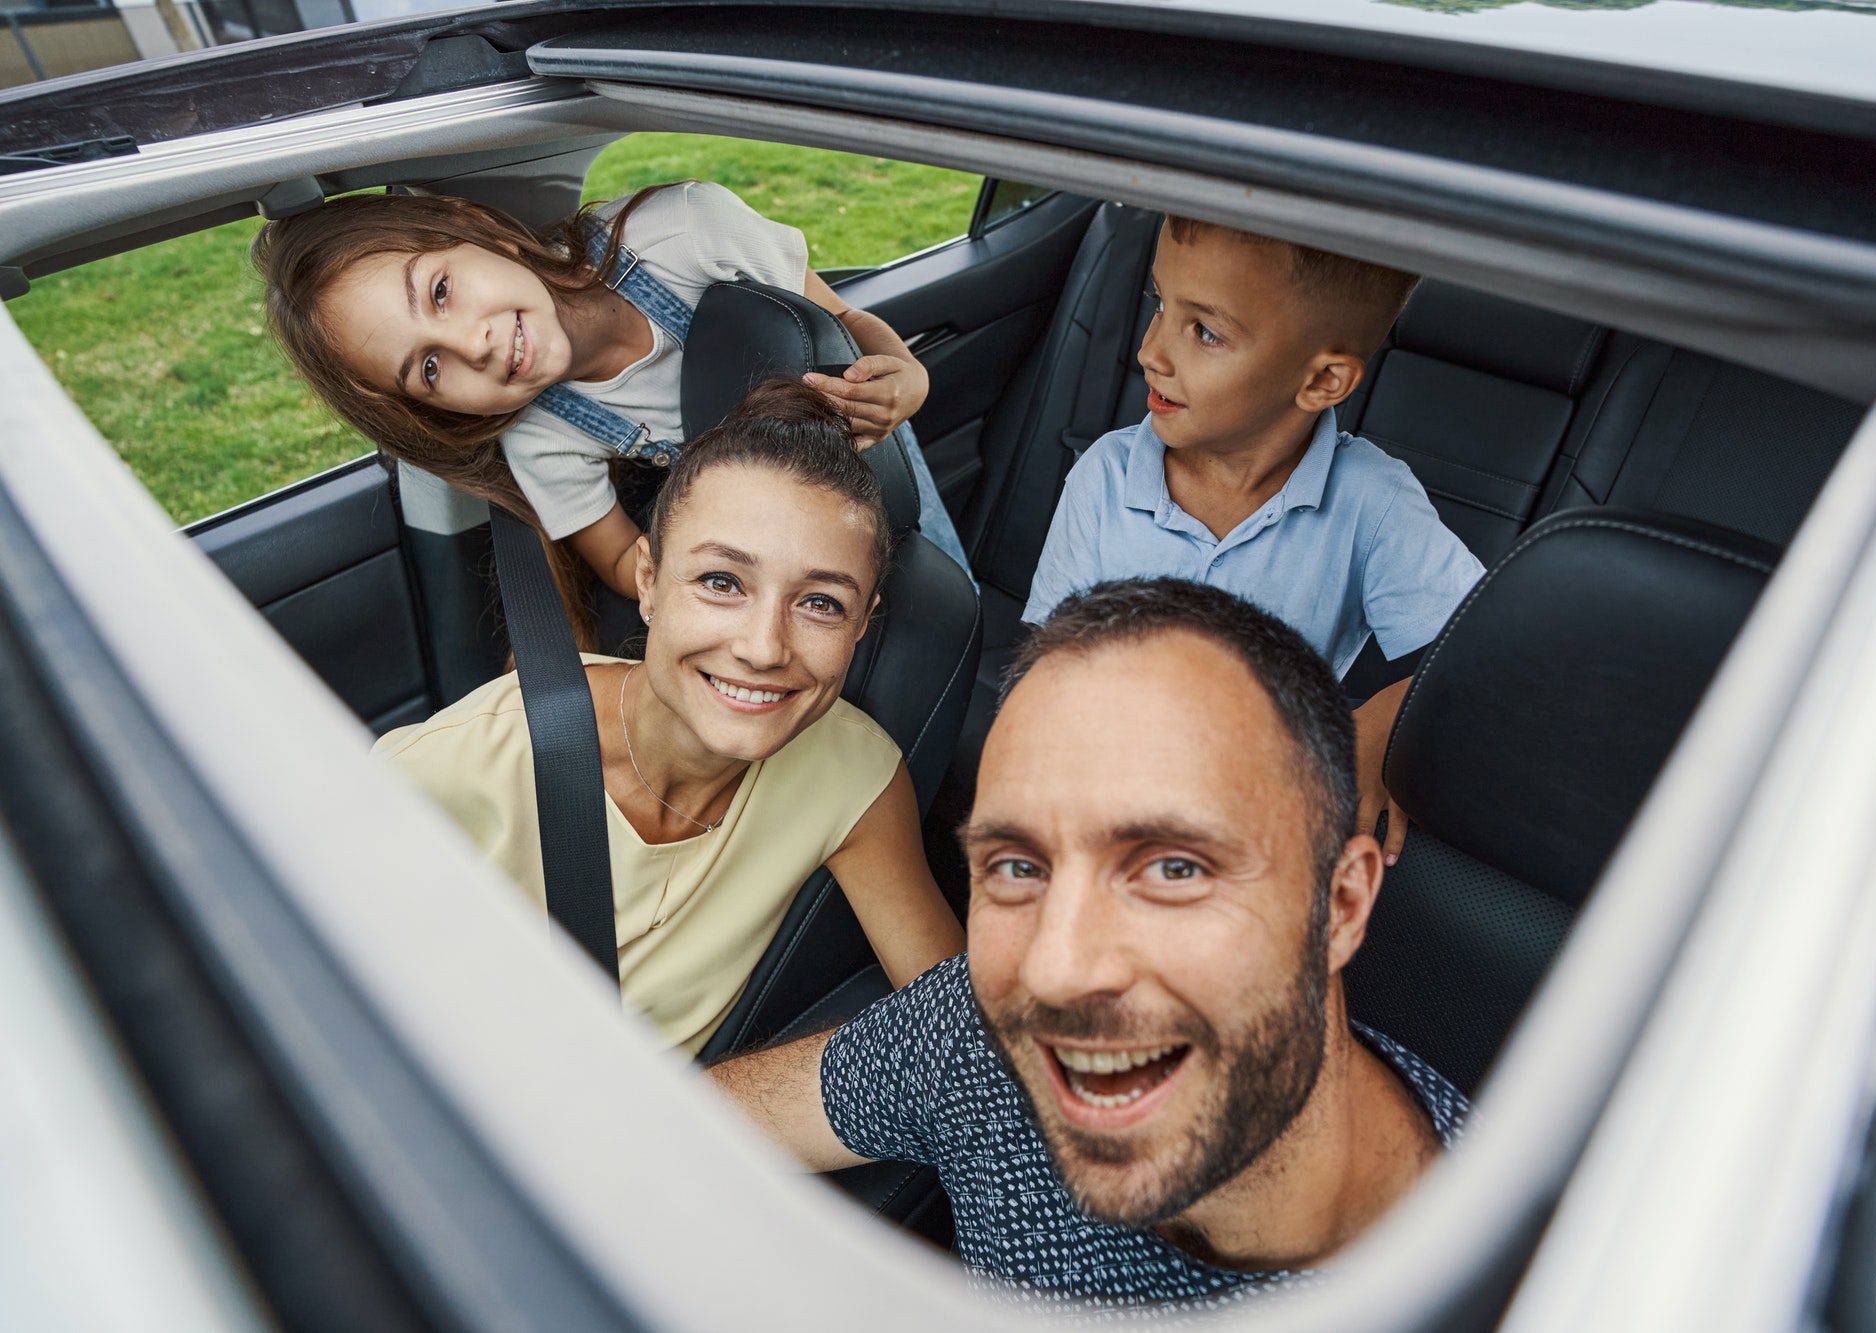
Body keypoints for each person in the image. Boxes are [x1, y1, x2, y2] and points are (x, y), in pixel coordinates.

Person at [711, 578, 1469, 1315]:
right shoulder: (976, 1037)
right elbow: (691, 1127)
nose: (1055, 969)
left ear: (1339, 905)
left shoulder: (1535, 1285)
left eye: (1174, 868)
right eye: (1017, 867)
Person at [374, 381, 965, 1054]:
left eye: (822, 603)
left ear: (863, 623)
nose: (764, 647)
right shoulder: (469, 756)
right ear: (648, 581)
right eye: (721, 582)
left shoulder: (857, 778)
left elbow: (967, 1040)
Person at [253, 180, 971, 610]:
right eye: (430, 369)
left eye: (441, 291)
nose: (471, 345)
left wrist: (906, 370)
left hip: (870, 461)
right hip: (760, 549)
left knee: (936, 591)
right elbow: (623, 561)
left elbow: (842, 320)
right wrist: (709, 581)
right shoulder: (543, 431)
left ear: (474, 231)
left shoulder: (691, 231)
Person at [1022, 217, 1485, 863]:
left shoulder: (1370, 500)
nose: (1151, 351)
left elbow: (1484, 648)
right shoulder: (1106, 472)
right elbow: (1050, 664)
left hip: (1257, 822)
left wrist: (1384, 718)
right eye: (1159, 304)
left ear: (1323, 381)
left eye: (1205, 331)